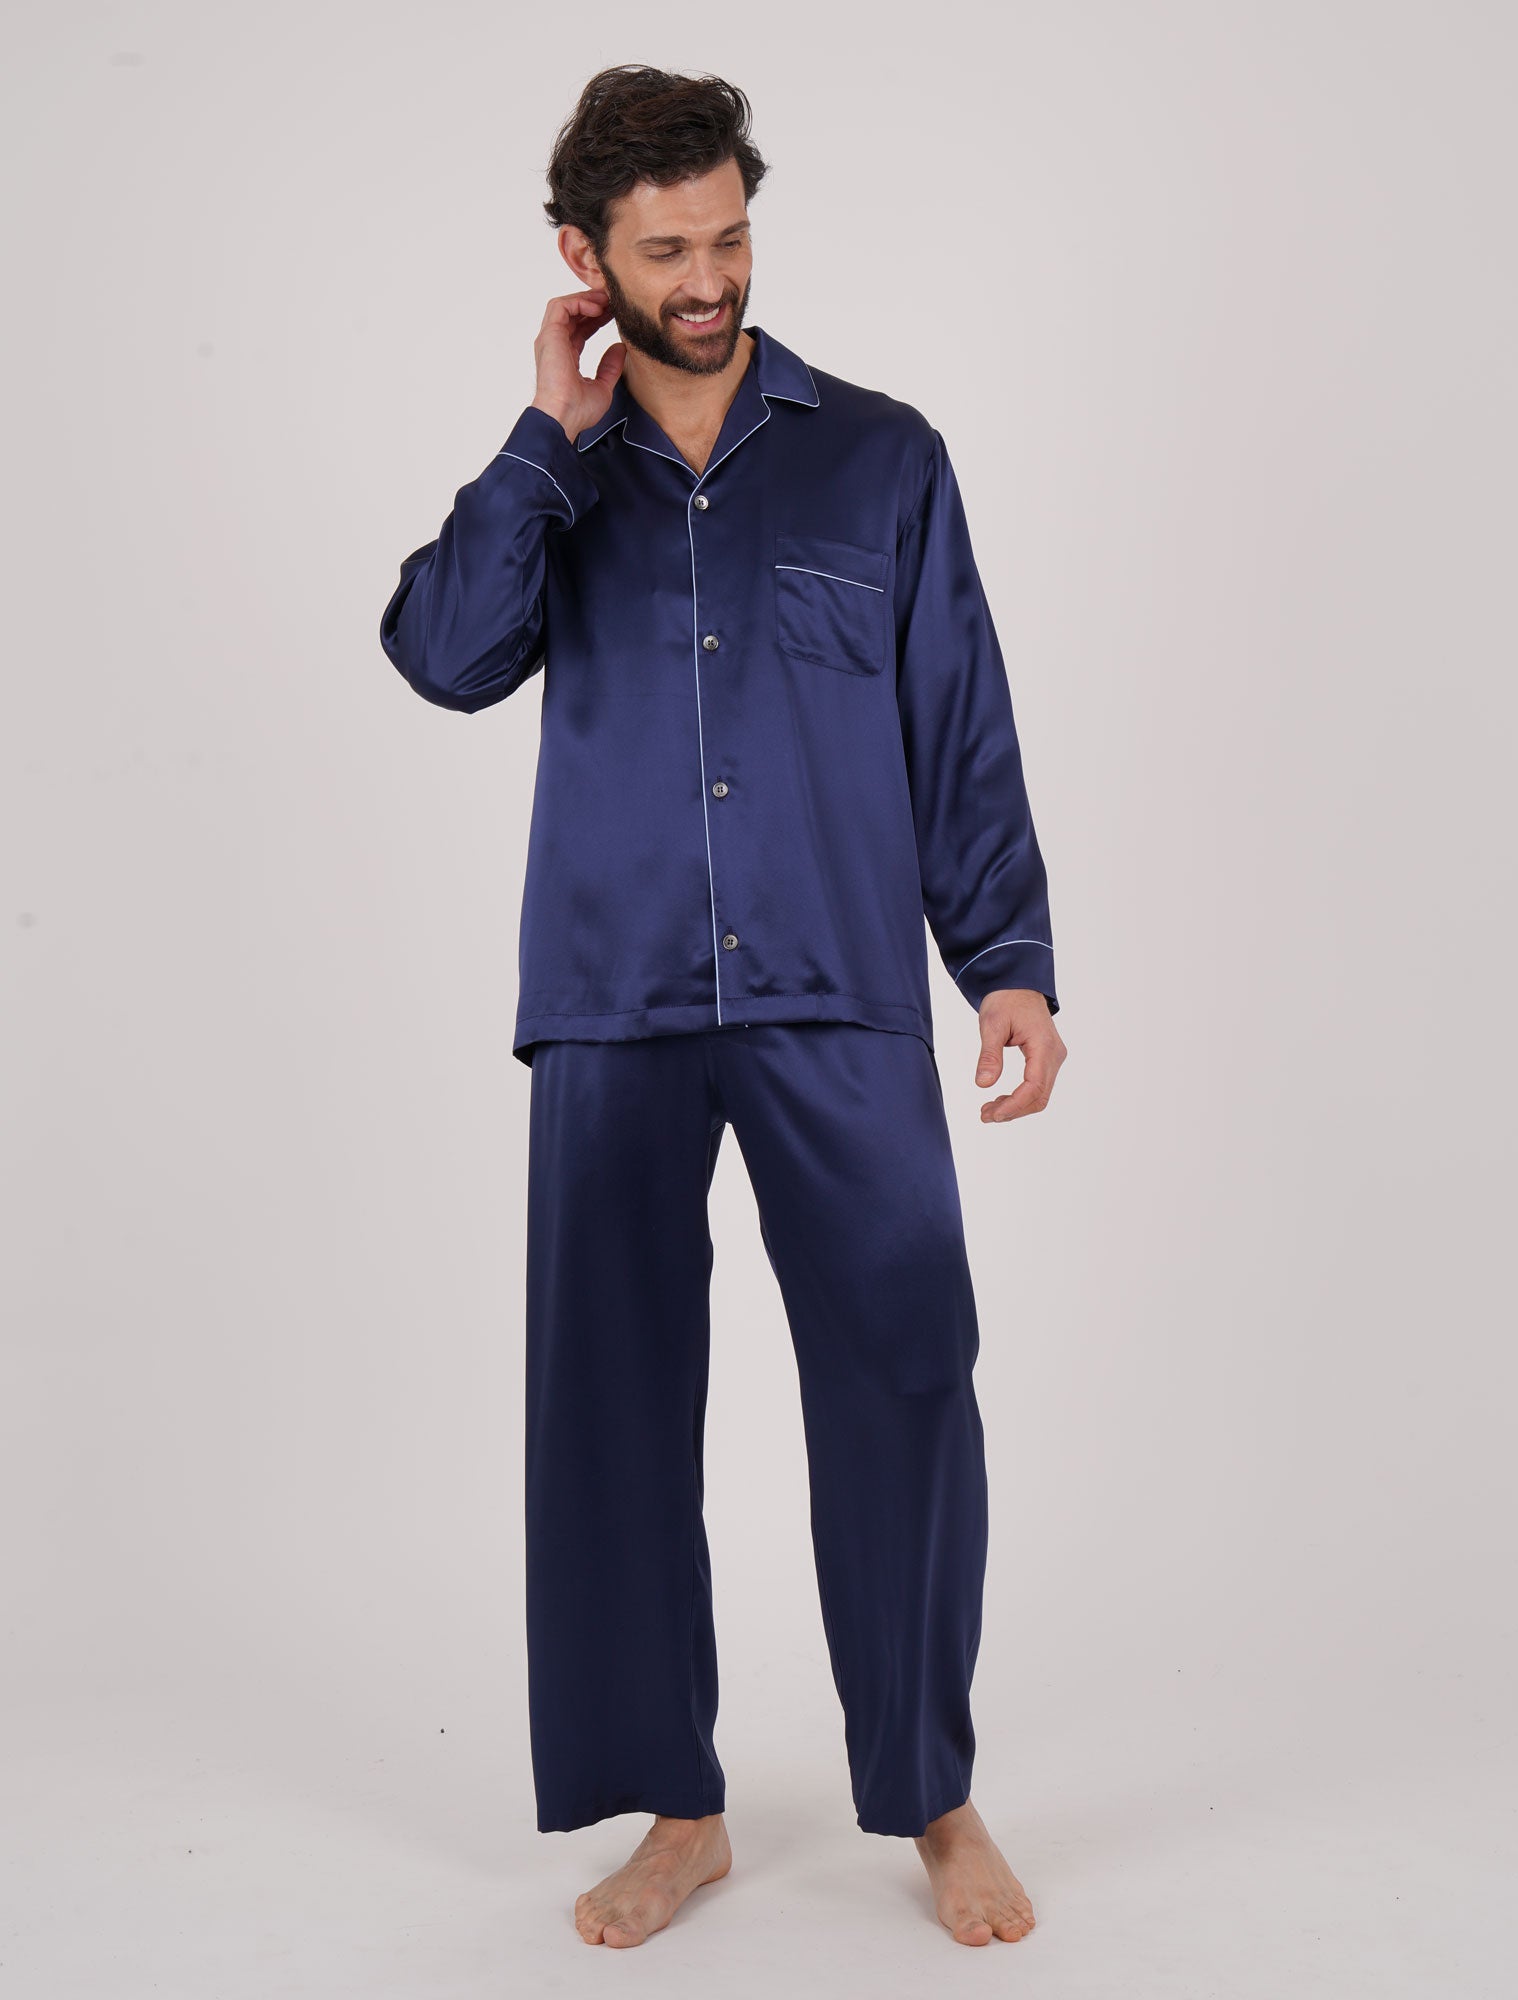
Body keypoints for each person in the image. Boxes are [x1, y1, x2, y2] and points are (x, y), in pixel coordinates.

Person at [378, 63, 1065, 1950]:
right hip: (613, 994)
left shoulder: (882, 458)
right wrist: (544, 436)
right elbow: (443, 655)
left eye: (730, 237)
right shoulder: (557, 477)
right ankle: (678, 1811)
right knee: (607, 1406)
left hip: (835, 981)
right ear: (585, 257)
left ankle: (931, 1792)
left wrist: (1005, 959)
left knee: (908, 1368)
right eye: (666, 249)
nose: (707, 279)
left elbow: (958, 717)